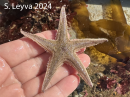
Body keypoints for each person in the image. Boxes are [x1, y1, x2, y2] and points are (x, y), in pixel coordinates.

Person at [0, 30, 90, 97]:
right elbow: (40, 39)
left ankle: (88, 80)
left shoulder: (58, 46)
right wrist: (26, 34)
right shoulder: (54, 46)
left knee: (78, 66)